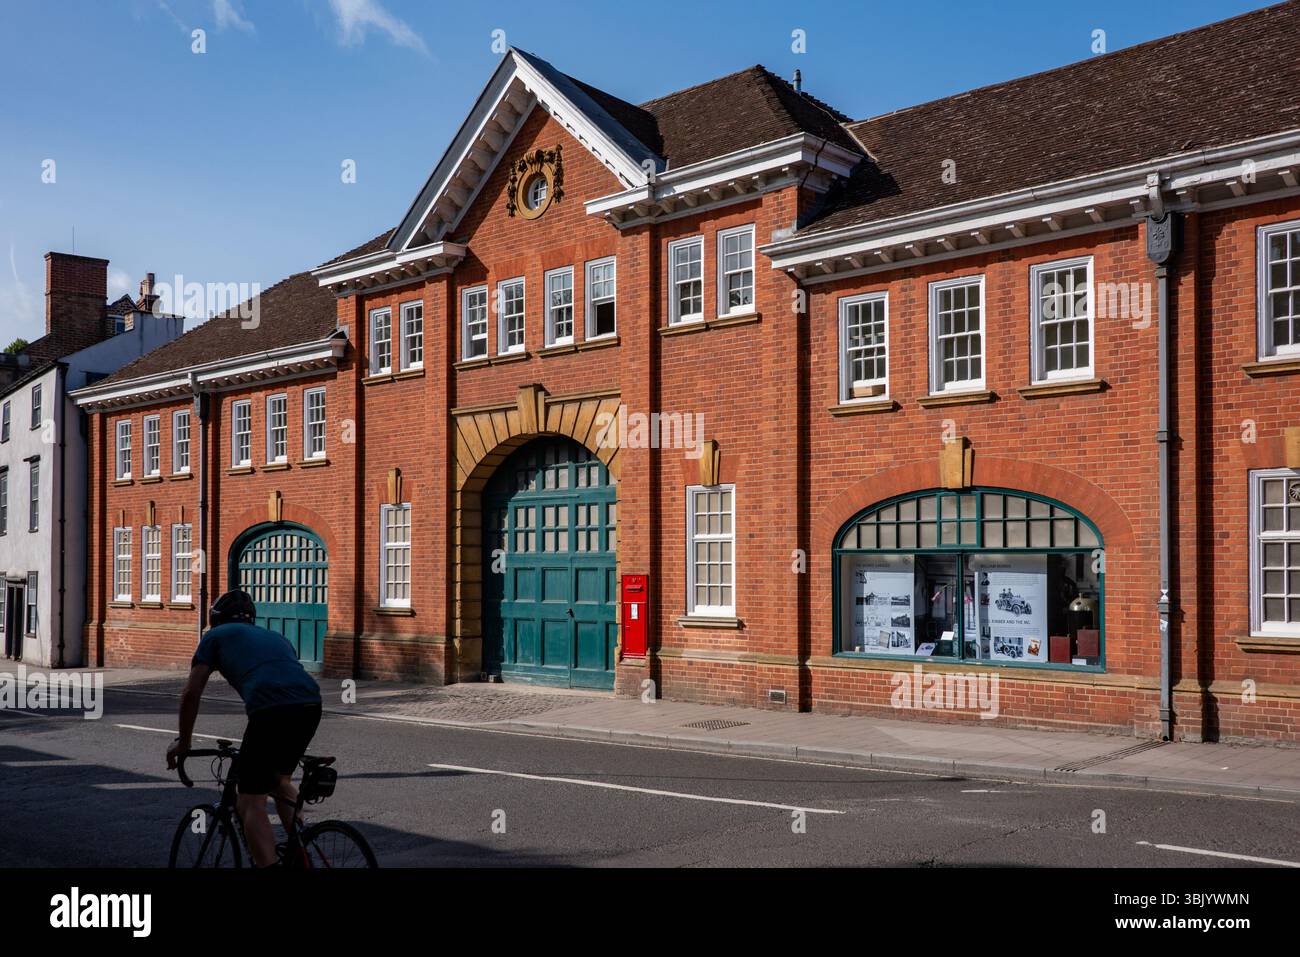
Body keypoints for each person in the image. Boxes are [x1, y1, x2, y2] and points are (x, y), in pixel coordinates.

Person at [165, 590, 323, 867]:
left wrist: (184, 743)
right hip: (311, 704)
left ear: (216, 619)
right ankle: (301, 853)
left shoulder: (213, 637)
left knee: (250, 801)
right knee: (280, 780)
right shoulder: (276, 637)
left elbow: (191, 693)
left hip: (270, 710)